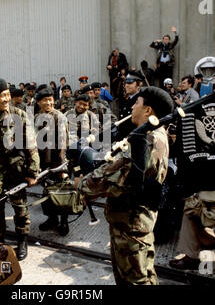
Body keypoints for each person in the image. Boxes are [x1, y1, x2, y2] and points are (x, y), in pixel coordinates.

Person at [76, 87, 174, 285]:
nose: (132, 107)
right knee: (142, 274)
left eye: (137, 103)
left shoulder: (146, 141)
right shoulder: (157, 133)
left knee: (134, 279)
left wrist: (81, 182)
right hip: (136, 220)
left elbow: (107, 177)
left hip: (131, 223)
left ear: (148, 110)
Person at [0, 79, 40, 260]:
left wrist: (32, 172)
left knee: (20, 207)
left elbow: (31, 146)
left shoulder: (18, 115)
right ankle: (0, 240)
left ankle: (22, 240)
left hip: (15, 168)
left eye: (7, 95)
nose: (6, 99)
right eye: (2, 96)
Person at [34, 89, 70, 236]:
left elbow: (63, 142)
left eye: (50, 99)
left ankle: (64, 221)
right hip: (43, 162)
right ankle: (52, 218)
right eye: (44, 100)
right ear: (38, 102)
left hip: (57, 162)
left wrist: (62, 167)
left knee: (61, 192)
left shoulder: (59, 117)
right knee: (46, 191)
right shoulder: (36, 117)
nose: (48, 102)